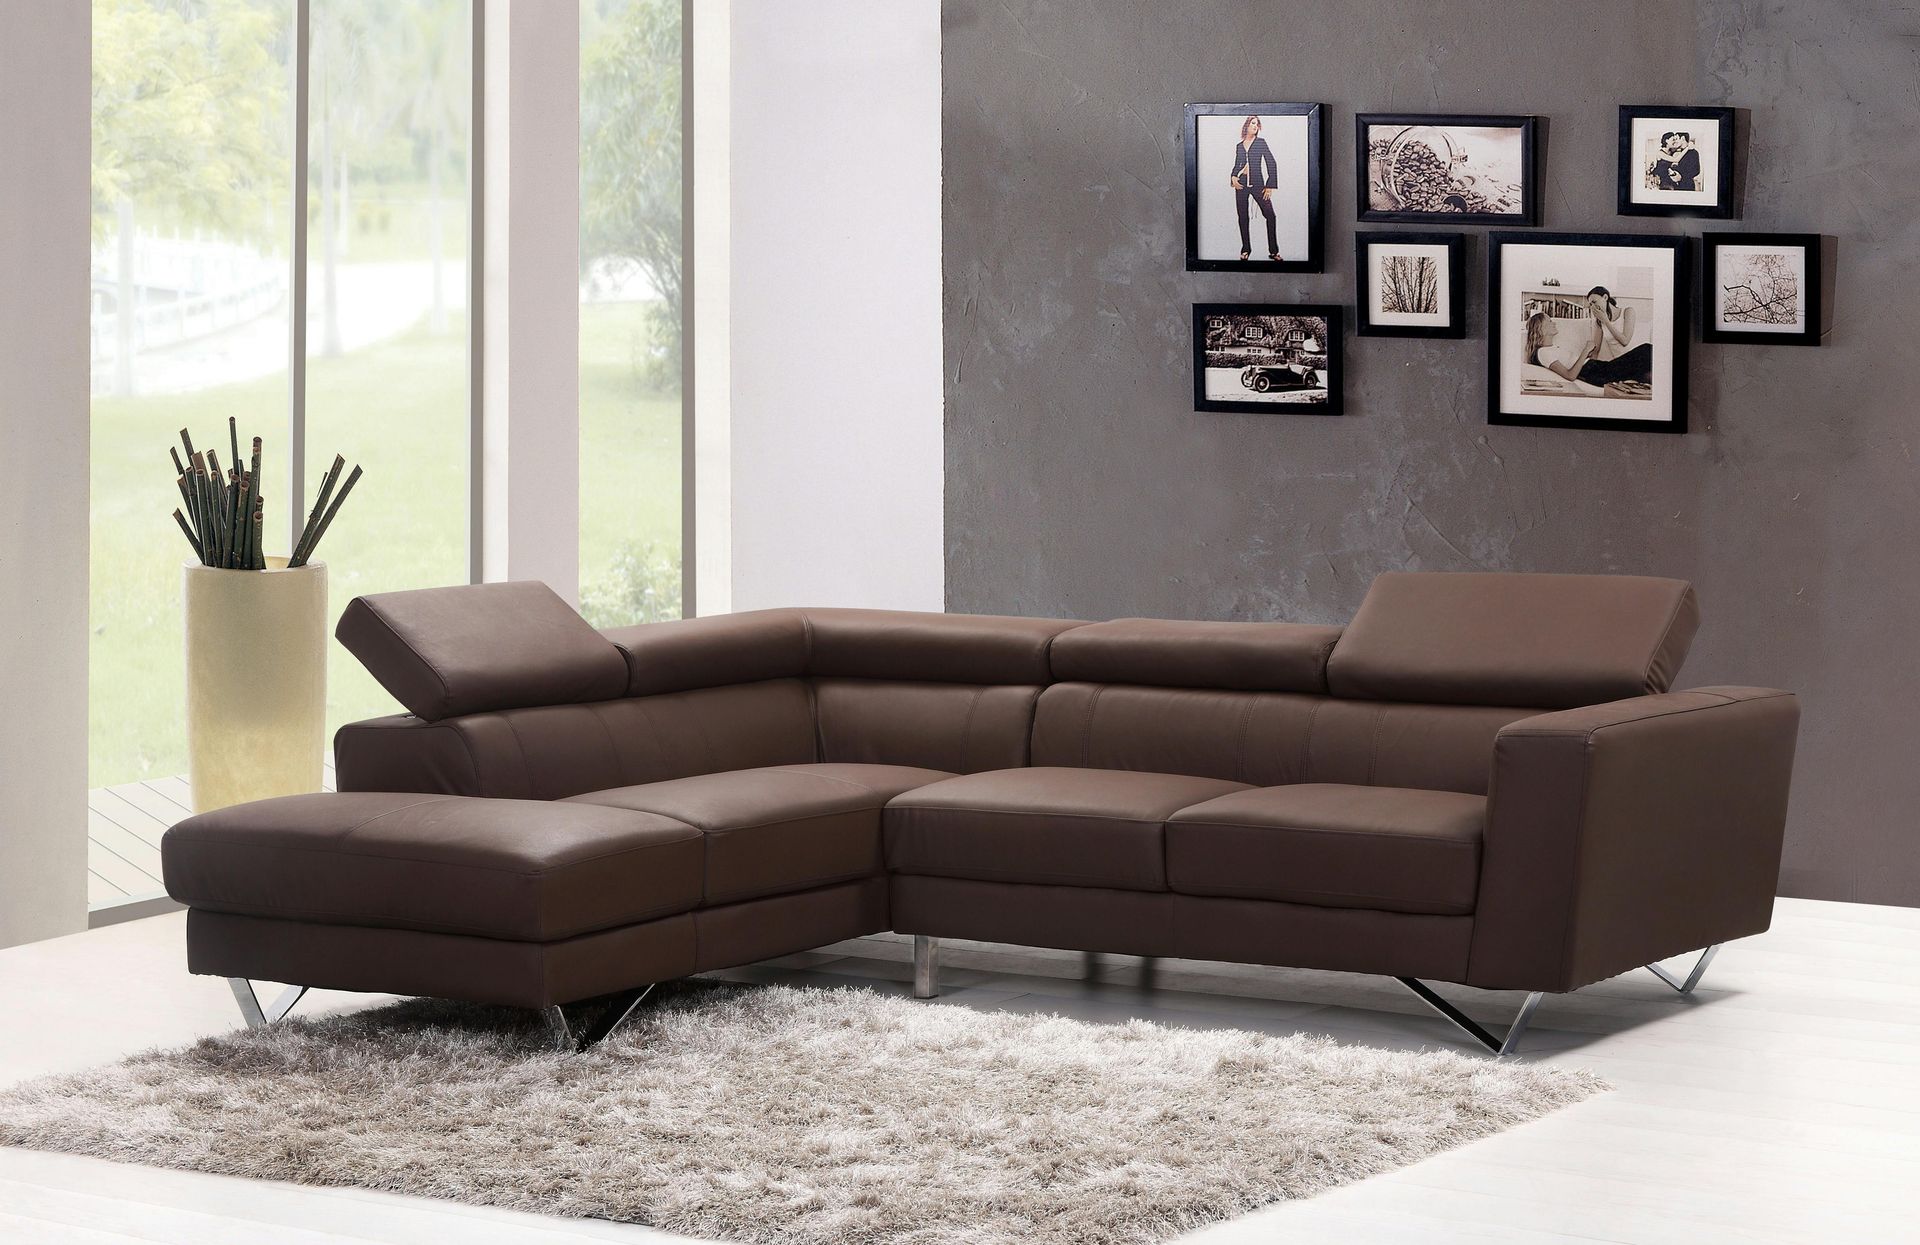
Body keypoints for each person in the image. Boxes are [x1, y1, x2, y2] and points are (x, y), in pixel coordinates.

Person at [1525, 309, 1652, 390]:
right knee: (1646, 350)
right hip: (1596, 373)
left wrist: (1589, 353)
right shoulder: (1543, 352)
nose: (1554, 323)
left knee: (1644, 372)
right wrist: (1585, 351)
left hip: (1596, 368)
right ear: (1541, 329)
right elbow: (1570, 376)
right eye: (1550, 322)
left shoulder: (1550, 349)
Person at [1229, 115, 1281, 261]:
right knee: (1243, 217)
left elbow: (1272, 162)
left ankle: (1273, 251)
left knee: (1270, 215)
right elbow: (1236, 165)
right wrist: (1233, 177)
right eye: (1253, 123)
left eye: (1257, 124)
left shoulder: (1260, 143)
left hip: (1258, 184)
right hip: (1241, 186)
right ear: (1246, 126)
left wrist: (1270, 185)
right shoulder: (1239, 146)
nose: (1255, 126)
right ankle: (1246, 249)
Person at [1584, 285, 1636, 363]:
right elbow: (1595, 351)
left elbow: (1625, 341)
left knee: (1647, 348)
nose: (1593, 307)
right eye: (1591, 305)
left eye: (1594, 302)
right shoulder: (1599, 322)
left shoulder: (1628, 311)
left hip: (1635, 357)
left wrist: (1606, 320)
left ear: (1605, 297)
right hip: (1619, 363)